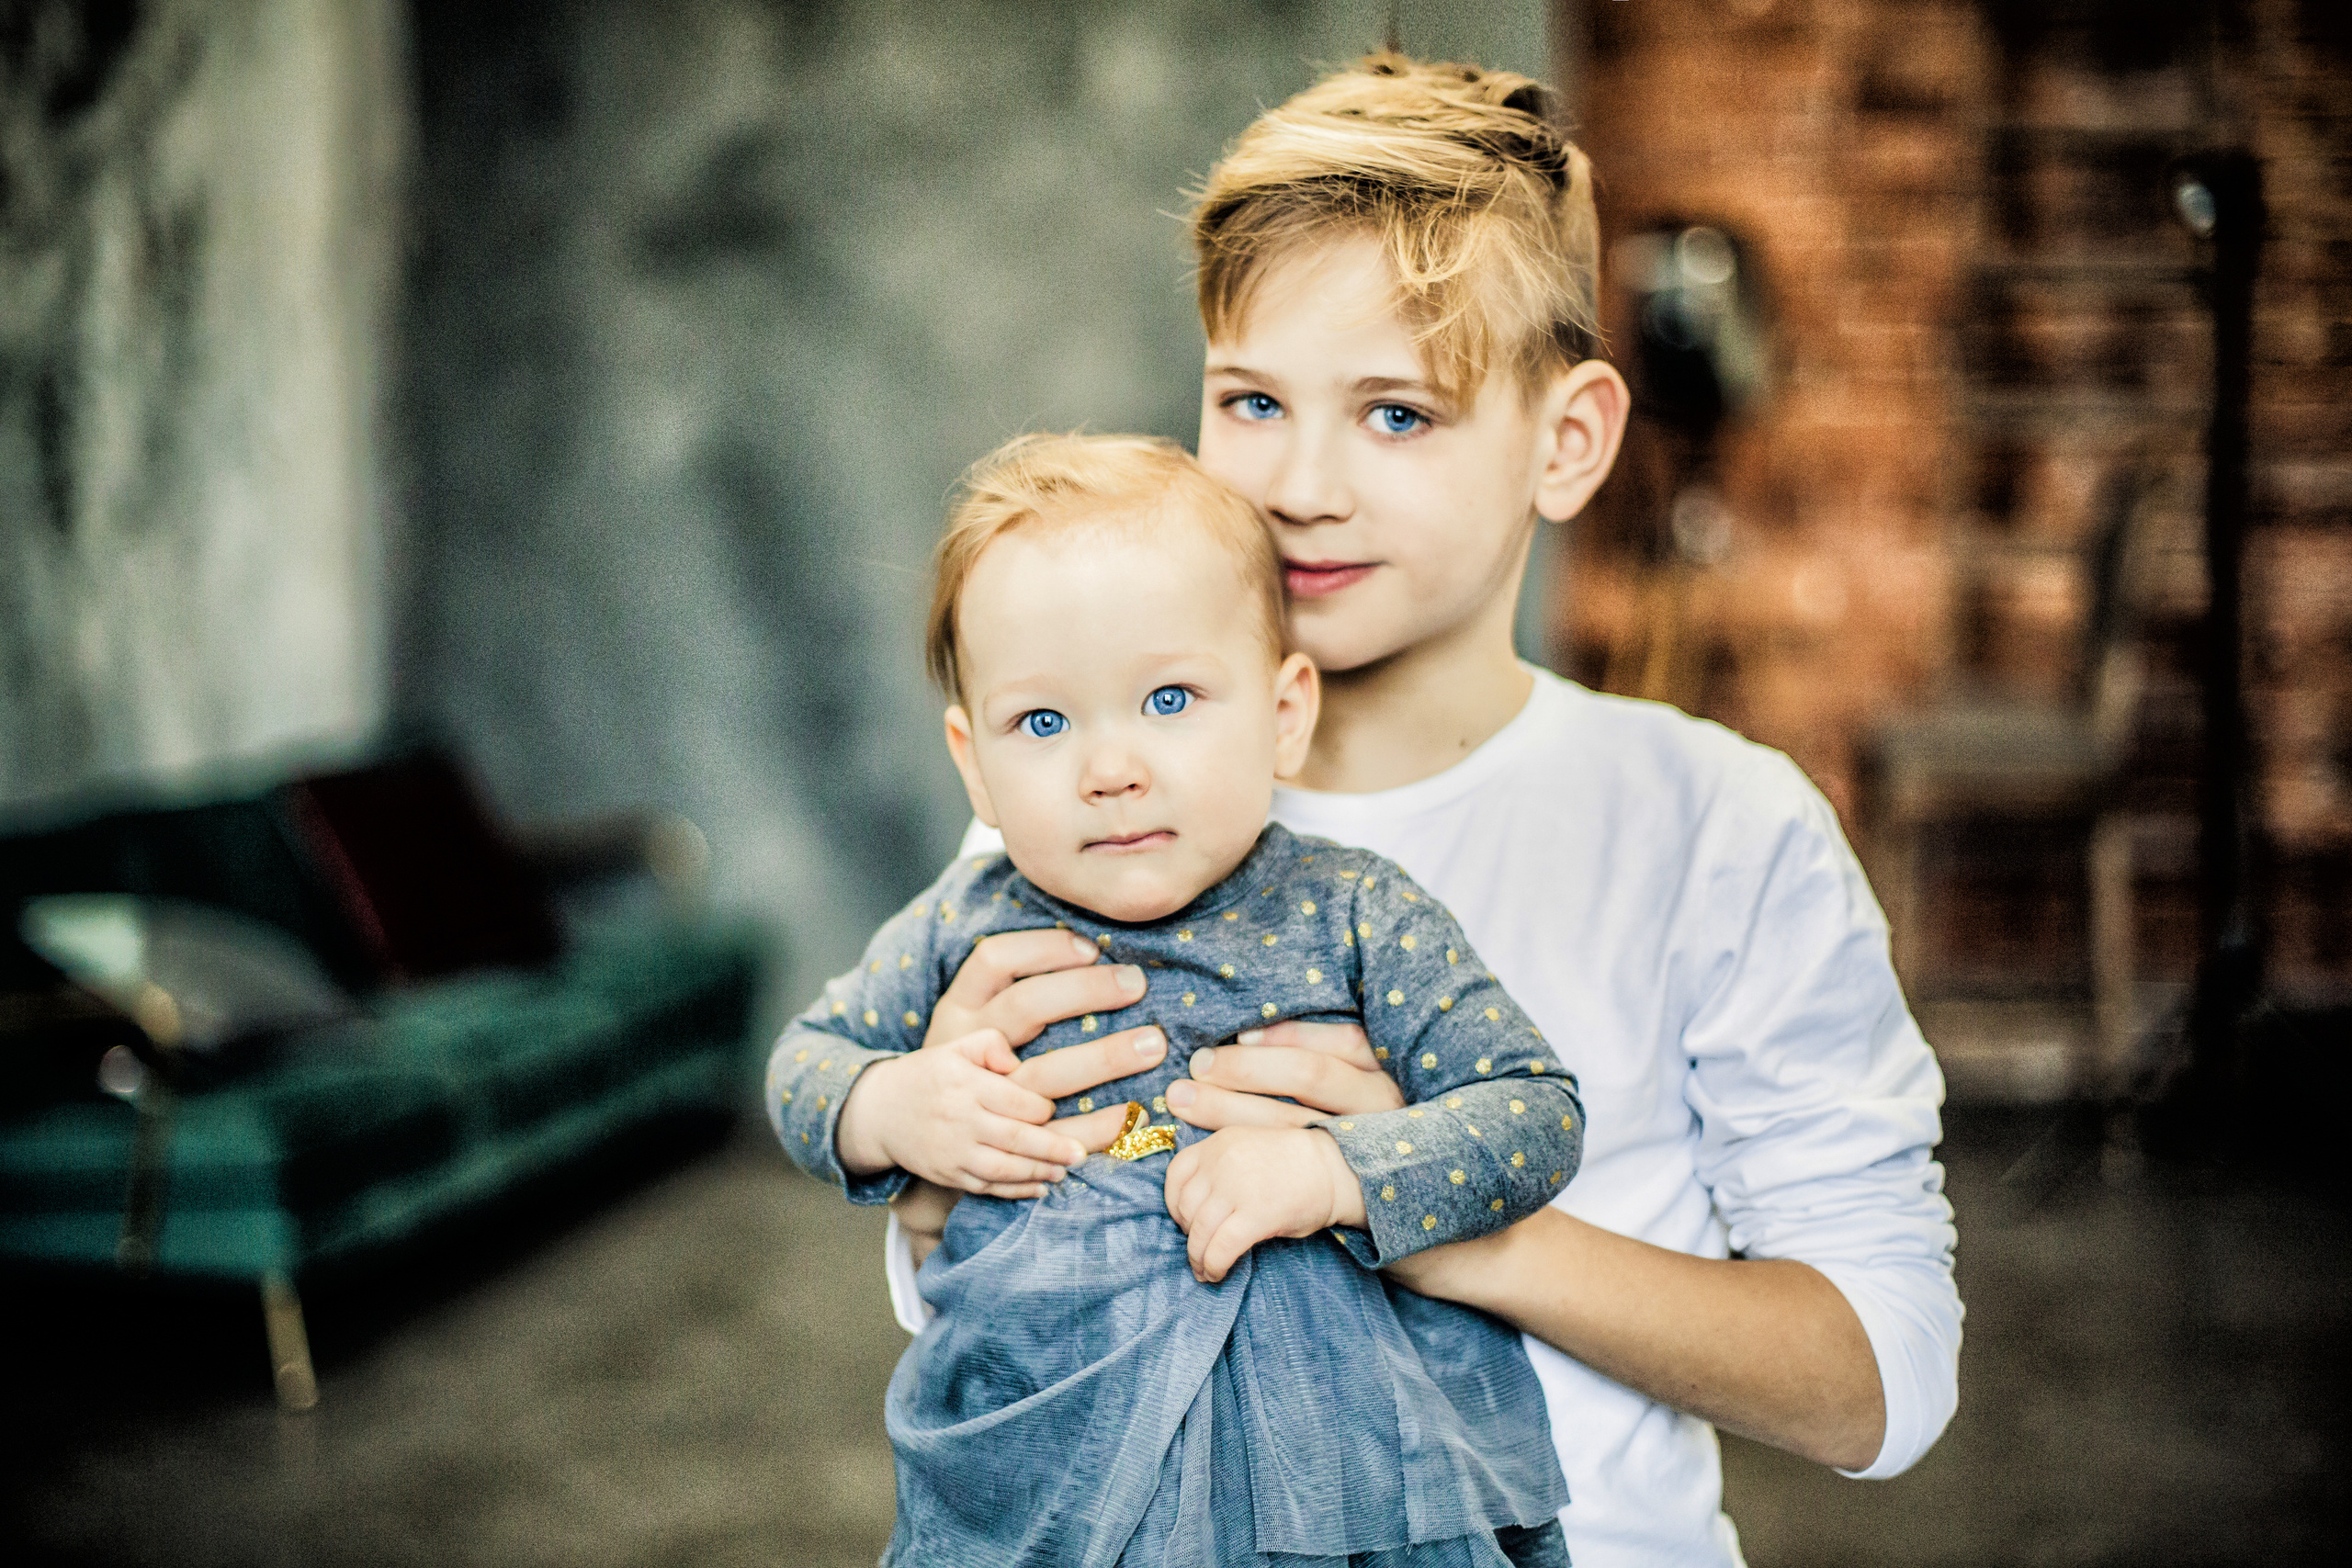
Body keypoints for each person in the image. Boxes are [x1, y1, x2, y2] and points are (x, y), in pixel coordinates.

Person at [879, 53, 1962, 1566]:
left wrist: (1437, 1203)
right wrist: (938, 1157)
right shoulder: (1088, 814)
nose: (1301, 484)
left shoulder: (1717, 828)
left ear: (1567, 440)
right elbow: (957, 1291)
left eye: (1396, 412)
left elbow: (1880, 1383)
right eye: (1252, 400)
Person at [769, 432, 1588, 1567]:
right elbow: (804, 1061)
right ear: (972, 763)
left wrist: (1336, 1172)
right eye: (1042, 722)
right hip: (1045, 1462)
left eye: (1169, 698)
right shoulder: (964, 924)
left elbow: (1536, 1110)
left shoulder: (1357, 912)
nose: (1110, 769)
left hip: (1340, 1476)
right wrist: (889, 1106)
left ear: (1284, 712)